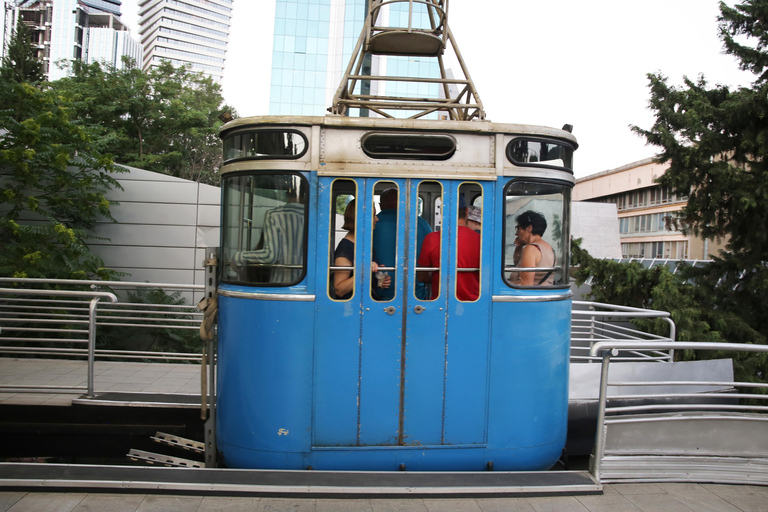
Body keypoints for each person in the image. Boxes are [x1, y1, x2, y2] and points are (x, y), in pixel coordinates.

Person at [231, 187, 305, 284]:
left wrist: (239, 257)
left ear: (287, 194)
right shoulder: (315, 218)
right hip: (309, 286)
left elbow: (270, 256)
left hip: (282, 284)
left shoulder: (274, 215)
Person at [372, 188, 432, 300]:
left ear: (380, 205)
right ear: (404, 202)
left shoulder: (371, 223)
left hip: (377, 289)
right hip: (414, 291)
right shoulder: (422, 224)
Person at [416, 195, 480, 301]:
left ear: (443, 213)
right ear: (467, 211)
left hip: (440, 302)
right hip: (474, 303)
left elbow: (422, 276)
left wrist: (440, 277)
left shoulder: (431, 239)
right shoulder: (481, 240)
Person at [333, 199, 391, 300]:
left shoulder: (363, 244)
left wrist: (379, 280)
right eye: (373, 215)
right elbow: (340, 289)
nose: (377, 219)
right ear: (361, 219)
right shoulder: (346, 249)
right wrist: (365, 271)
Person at [513, 210, 556, 286]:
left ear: (529, 228)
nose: (516, 233)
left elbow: (525, 284)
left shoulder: (531, 249)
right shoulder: (548, 248)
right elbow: (518, 265)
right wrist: (519, 247)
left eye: (518, 228)